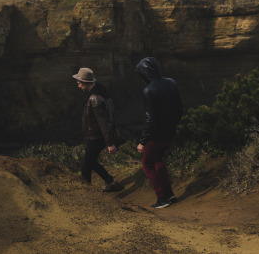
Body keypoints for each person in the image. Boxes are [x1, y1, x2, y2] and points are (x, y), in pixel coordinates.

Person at [135, 57, 183, 208]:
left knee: (147, 163)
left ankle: (162, 198)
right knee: (157, 160)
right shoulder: (171, 82)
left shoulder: (149, 90)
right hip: (169, 132)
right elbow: (180, 109)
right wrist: (173, 126)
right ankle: (169, 194)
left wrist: (142, 141)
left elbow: (151, 119)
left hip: (155, 136)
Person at [72, 67, 124, 192]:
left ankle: (88, 195)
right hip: (97, 136)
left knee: (86, 167)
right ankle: (111, 182)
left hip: (96, 137)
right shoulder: (102, 93)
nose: (78, 86)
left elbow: (103, 122)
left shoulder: (94, 98)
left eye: (79, 83)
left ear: (85, 82)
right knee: (91, 162)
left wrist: (110, 143)